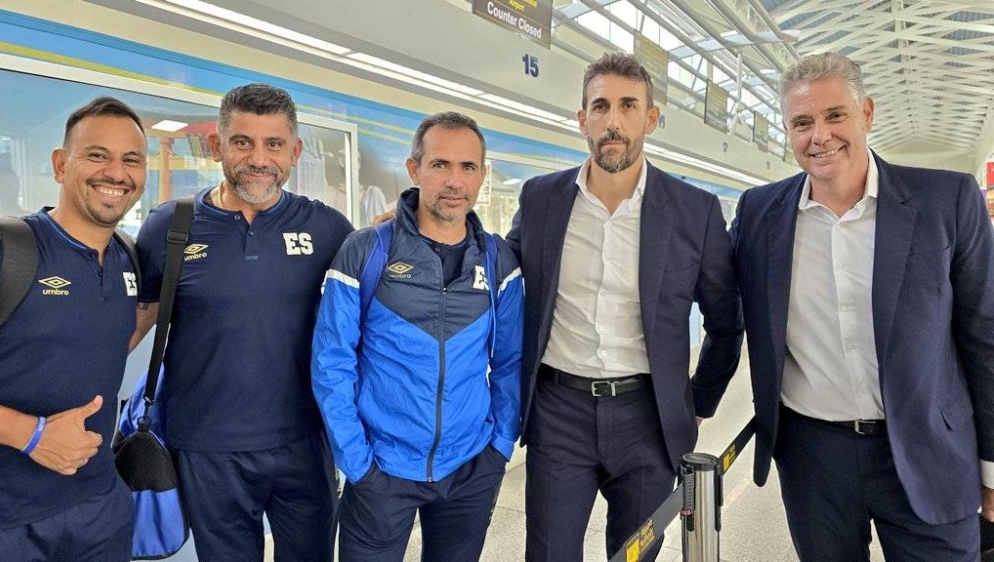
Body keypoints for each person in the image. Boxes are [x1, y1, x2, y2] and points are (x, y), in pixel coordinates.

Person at [732, 51, 994, 560]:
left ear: (867, 113)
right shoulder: (760, 213)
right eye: (802, 123)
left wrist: (993, 465)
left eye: (835, 116)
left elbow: (985, 335)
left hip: (930, 451)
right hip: (813, 459)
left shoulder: (946, 200)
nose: (820, 136)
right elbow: (703, 283)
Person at [506, 52, 744, 562]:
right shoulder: (542, 199)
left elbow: (726, 322)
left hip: (649, 418)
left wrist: (698, 402)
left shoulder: (694, 211)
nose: (613, 121)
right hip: (558, 412)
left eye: (628, 106)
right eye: (600, 106)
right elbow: (499, 271)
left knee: (636, 555)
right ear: (582, 119)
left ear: (651, 119)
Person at [132, 83, 354, 562]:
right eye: (242, 142)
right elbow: (135, 320)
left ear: (293, 152)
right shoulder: (170, 228)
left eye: (273, 144)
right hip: (208, 449)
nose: (258, 158)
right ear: (217, 147)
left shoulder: (330, 229)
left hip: (306, 442)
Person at [312, 111, 523, 562]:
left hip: (470, 466)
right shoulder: (367, 250)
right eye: (440, 165)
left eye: (468, 167)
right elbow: (332, 361)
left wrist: (499, 447)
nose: (454, 181)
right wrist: (358, 463)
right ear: (415, 169)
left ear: (482, 176)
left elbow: (511, 361)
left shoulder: (498, 259)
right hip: (381, 470)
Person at [0, 97, 147, 561]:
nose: (115, 173)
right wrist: (30, 434)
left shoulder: (129, 257)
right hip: (6, 522)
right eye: (96, 155)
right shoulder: (7, 250)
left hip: (99, 509)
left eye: (131, 160)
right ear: (61, 165)